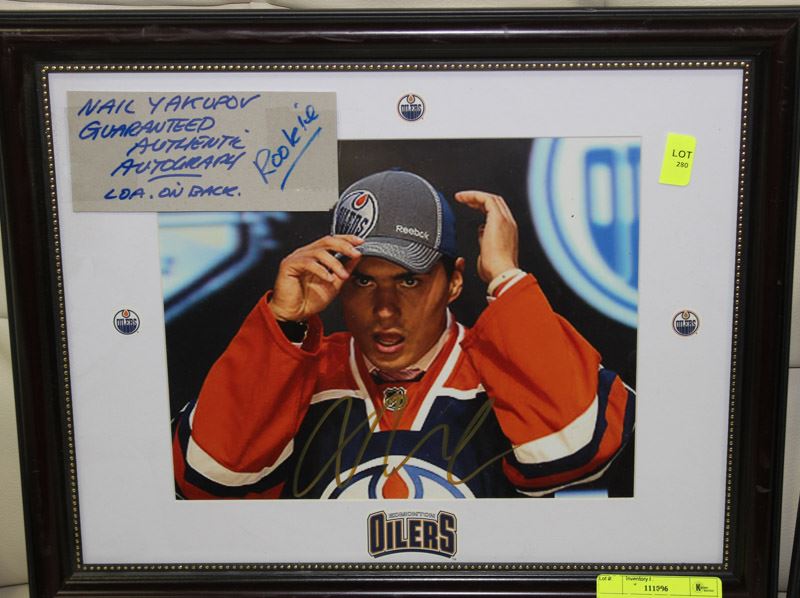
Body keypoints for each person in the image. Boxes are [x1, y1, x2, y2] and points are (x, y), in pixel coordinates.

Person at [173, 170, 635, 499]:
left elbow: (579, 448)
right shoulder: (299, 371)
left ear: (454, 281)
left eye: (409, 280)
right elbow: (210, 480)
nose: (385, 308)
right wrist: (283, 323)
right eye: (363, 281)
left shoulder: (505, 364)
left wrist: (505, 276)